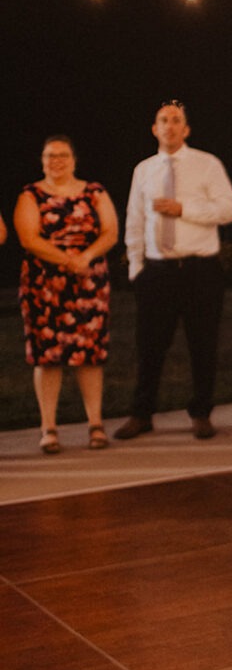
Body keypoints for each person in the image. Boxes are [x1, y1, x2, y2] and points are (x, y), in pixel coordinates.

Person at [115, 101, 232, 442]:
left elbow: (228, 209)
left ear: (186, 129)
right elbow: (135, 219)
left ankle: (201, 412)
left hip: (201, 270)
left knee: (203, 344)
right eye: (163, 120)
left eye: (176, 120)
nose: (169, 126)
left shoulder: (207, 164)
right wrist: (137, 267)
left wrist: (184, 209)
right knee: (150, 347)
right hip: (157, 273)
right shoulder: (144, 170)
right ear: (154, 129)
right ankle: (141, 414)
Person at [14, 135, 119, 453]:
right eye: (49, 155)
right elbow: (29, 237)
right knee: (48, 358)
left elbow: (111, 231)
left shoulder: (94, 191)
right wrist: (67, 260)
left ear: (74, 159)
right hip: (44, 285)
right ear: (42, 160)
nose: (55, 160)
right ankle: (49, 428)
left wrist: (85, 258)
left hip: (89, 283)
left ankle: (96, 424)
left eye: (62, 155)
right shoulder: (30, 194)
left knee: (90, 355)